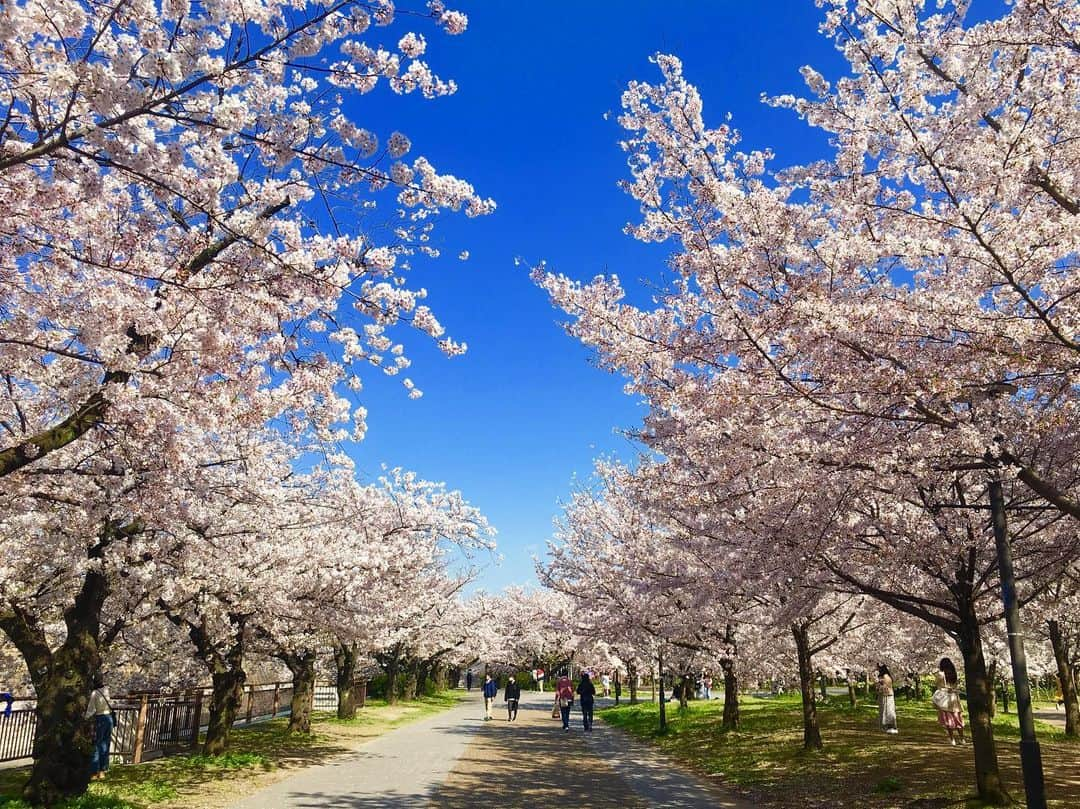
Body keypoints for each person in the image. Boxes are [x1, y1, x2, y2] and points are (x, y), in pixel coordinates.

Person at [85, 674, 113, 780]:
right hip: (109, 718)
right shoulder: (106, 690)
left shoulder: (94, 693)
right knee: (105, 744)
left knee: (97, 744)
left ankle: (94, 771)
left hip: (100, 718)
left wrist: (85, 718)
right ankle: (102, 770)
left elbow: (91, 709)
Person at [933, 657, 965, 745]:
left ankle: (952, 739)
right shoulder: (954, 674)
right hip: (954, 699)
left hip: (945, 700)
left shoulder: (940, 675)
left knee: (948, 720)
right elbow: (955, 686)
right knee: (958, 719)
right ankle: (962, 738)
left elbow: (937, 684)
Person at [876, 663, 898, 734]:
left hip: (886, 696)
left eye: (878, 668)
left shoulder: (885, 676)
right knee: (887, 710)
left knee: (887, 710)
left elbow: (885, 687)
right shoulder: (886, 676)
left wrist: (879, 687)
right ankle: (888, 726)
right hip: (886, 695)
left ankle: (889, 726)